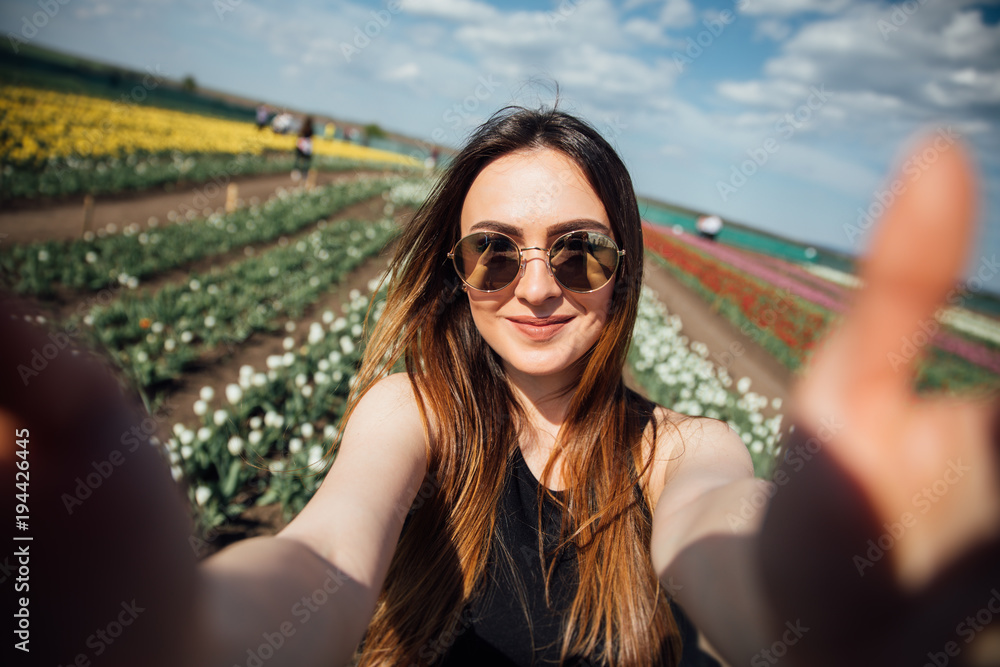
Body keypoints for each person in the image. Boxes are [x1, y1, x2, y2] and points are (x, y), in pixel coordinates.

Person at [1, 106, 997, 667]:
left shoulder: (683, 451)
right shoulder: (414, 415)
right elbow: (324, 559)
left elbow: (716, 536)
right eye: (492, 253)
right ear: (454, 269)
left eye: (578, 253)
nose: (533, 285)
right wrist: (190, 638)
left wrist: (792, 607)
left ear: (625, 270)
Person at [292, 116, 314, 182]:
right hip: (306, 146)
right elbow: (310, 139)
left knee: (298, 160)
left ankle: (296, 173)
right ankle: (304, 174)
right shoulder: (311, 129)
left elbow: (299, 135)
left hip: (300, 145)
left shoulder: (302, 127)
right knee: (306, 162)